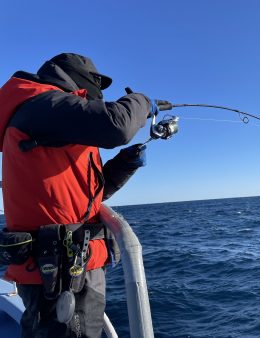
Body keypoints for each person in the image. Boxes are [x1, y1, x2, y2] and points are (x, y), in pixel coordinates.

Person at [0, 53, 155, 337]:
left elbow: (86, 197)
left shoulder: (51, 120)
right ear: (77, 80)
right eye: (97, 85)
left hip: (64, 268)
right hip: (59, 274)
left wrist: (125, 165)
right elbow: (117, 125)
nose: (98, 95)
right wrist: (144, 102)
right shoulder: (43, 105)